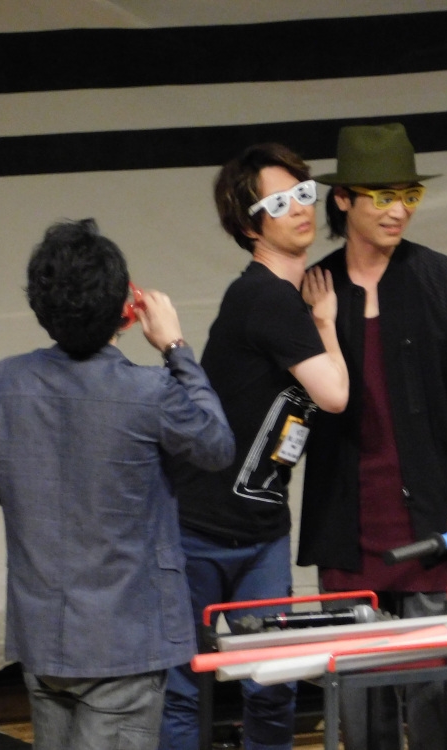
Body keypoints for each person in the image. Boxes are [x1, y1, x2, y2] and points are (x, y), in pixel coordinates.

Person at [0, 218, 235, 750]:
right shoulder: (149, 391)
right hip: (124, 640)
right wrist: (175, 345)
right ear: (125, 309)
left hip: (44, 636)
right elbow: (218, 445)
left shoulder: (1, 381)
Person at [296, 122, 447, 750]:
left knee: (440, 693)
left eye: (409, 195)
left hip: (432, 519)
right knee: (361, 700)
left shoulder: (441, 279)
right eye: (383, 196)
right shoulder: (315, 287)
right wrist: (321, 324)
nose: (399, 211)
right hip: (348, 521)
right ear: (343, 199)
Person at [159, 143, 349, 750]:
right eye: (280, 201)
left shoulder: (278, 297)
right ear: (250, 225)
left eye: (304, 193)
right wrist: (326, 324)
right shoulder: (264, 297)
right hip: (199, 527)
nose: (301, 208)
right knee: (187, 688)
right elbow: (335, 395)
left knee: (272, 686)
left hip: (261, 528)